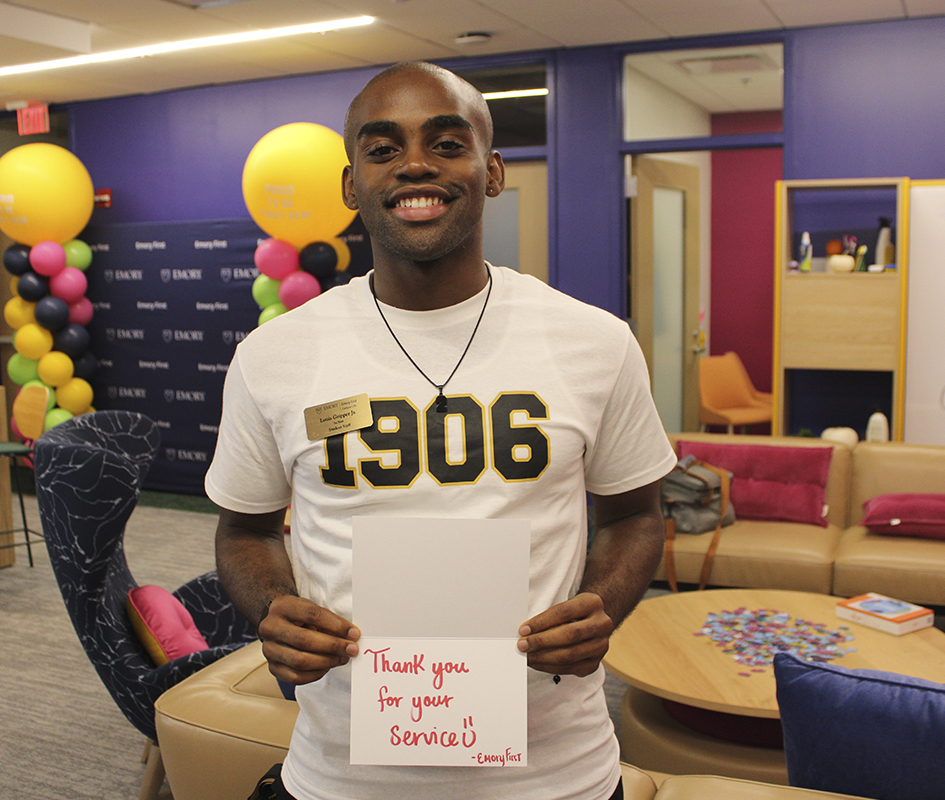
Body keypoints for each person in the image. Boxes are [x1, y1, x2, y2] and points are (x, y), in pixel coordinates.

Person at [206, 61, 676, 800]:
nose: (415, 164)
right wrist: (274, 609)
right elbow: (245, 529)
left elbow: (635, 514)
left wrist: (601, 606)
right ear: (350, 184)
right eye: (383, 147)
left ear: (491, 173)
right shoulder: (273, 357)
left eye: (447, 143)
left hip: (555, 776)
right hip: (342, 776)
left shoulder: (595, 342)